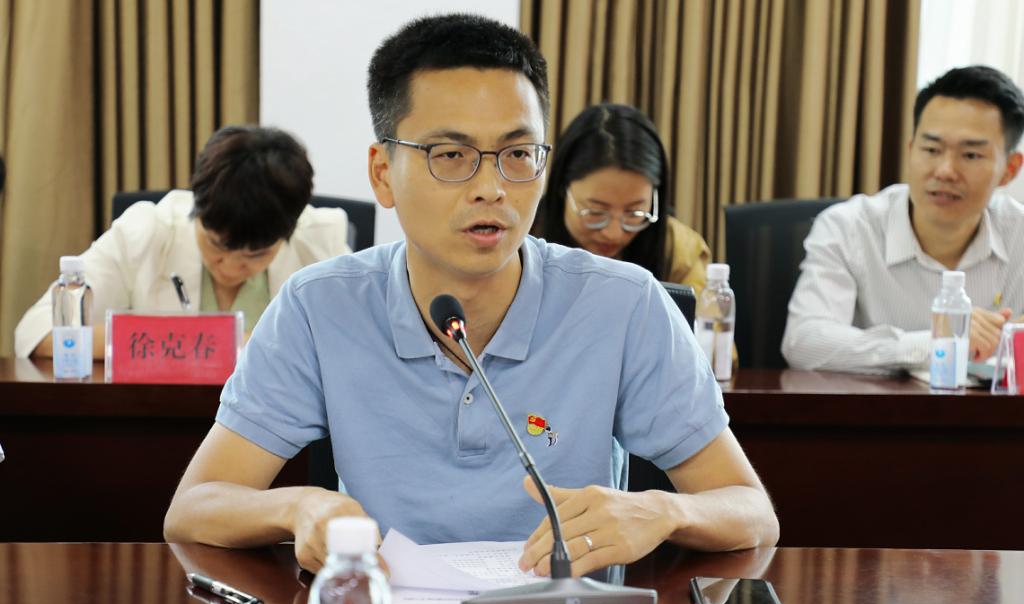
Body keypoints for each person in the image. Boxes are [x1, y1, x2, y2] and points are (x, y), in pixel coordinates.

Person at [164, 13, 778, 575]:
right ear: (383, 173)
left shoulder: (625, 305)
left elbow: (752, 511)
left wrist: (664, 512)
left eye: (517, 154)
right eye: (451, 155)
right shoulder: (318, 307)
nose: (491, 187)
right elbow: (193, 508)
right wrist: (296, 508)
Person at [14, 125, 350, 360]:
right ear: (197, 210)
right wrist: (217, 346)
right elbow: (37, 333)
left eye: (256, 254)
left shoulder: (319, 242)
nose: (231, 267)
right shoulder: (146, 231)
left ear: (289, 231)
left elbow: (356, 349)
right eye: (217, 245)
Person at [783, 65, 1024, 373]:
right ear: (911, 151)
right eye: (931, 149)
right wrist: (935, 343)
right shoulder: (849, 228)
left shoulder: (1018, 233)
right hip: (872, 404)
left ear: (1010, 169)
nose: (945, 171)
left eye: (970, 155)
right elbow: (804, 342)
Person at [536, 103, 711, 290]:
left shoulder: (678, 251)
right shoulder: (523, 238)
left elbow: (700, 308)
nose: (614, 234)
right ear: (563, 189)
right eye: (596, 212)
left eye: (634, 213)